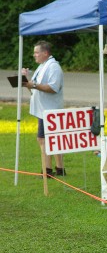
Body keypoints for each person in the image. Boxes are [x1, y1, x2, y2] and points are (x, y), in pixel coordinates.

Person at [22, 40, 65, 176]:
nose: (34, 55)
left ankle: (48, 170)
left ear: (45, 53)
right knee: (53, 139)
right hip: (44, 110)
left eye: (36, 52)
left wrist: (33, 85)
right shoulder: (42, 66)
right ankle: (59, 169)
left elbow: (53, 88)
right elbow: (35, 90)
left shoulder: (53, 67)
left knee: (43, 139)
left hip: (50, 110)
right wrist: (27, 81)